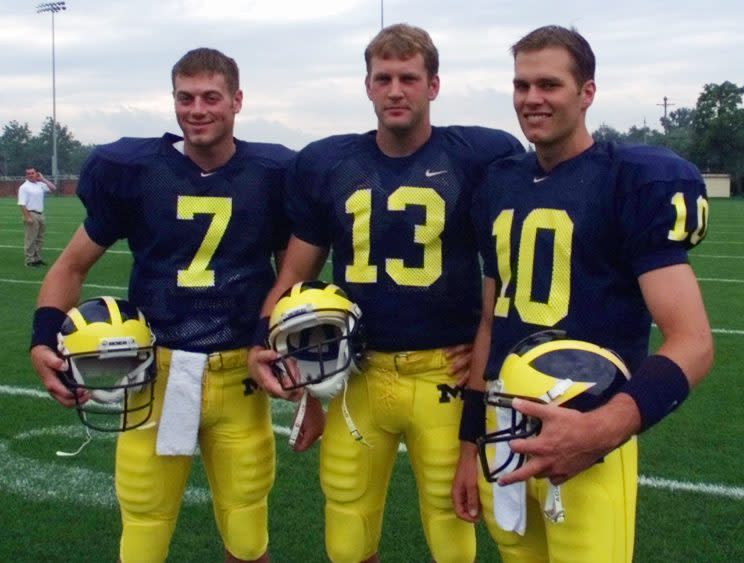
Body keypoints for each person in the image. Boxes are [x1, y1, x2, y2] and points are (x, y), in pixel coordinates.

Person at [249, 23, 523, 563]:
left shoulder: (481, 155)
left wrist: (493, 347)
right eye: (384, 78)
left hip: (442, 370)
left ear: (433, 85)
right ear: (368, 87)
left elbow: (511, 269)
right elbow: (294, 277)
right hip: (358, 373)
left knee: (451, 532)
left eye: (408, 77)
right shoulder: (330, 164)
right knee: (346, 530)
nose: (396, 89)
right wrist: (267, 340)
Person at [452, 25, 713, 563]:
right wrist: (468, 442)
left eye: (548, 84)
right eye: (522, 85)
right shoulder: (499, 184)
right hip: (505, 428)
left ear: (586, 92)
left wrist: (601, 429)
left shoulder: (631, 179)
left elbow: (693, 342)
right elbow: (490, 320)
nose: (532, 99)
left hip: (588, 423)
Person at [29, 47, 295, 563]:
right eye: (185, 97)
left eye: (211, 97)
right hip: (157, 370)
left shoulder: (272, 172)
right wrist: (43, 337)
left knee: (247, 534)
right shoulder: (137, 169)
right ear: (173, 101)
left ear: (237, 100)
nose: (197, 109)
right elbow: (71, 266)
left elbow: (292, 275)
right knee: (144, 532)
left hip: (239, 369)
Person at [18, 166, 56, 266]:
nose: (31, 175)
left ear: (36, 173)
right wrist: (27, 217)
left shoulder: (40, 184)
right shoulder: (24, 187)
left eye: (32, 173)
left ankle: (37, 258)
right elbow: (22, 204)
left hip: (40, 214)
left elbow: (53, 188)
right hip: (31, 214)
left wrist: (42, 179)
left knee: (40, 238)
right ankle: (29, 260)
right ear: (26, 175)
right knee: (30, 238)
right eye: (28, 174)